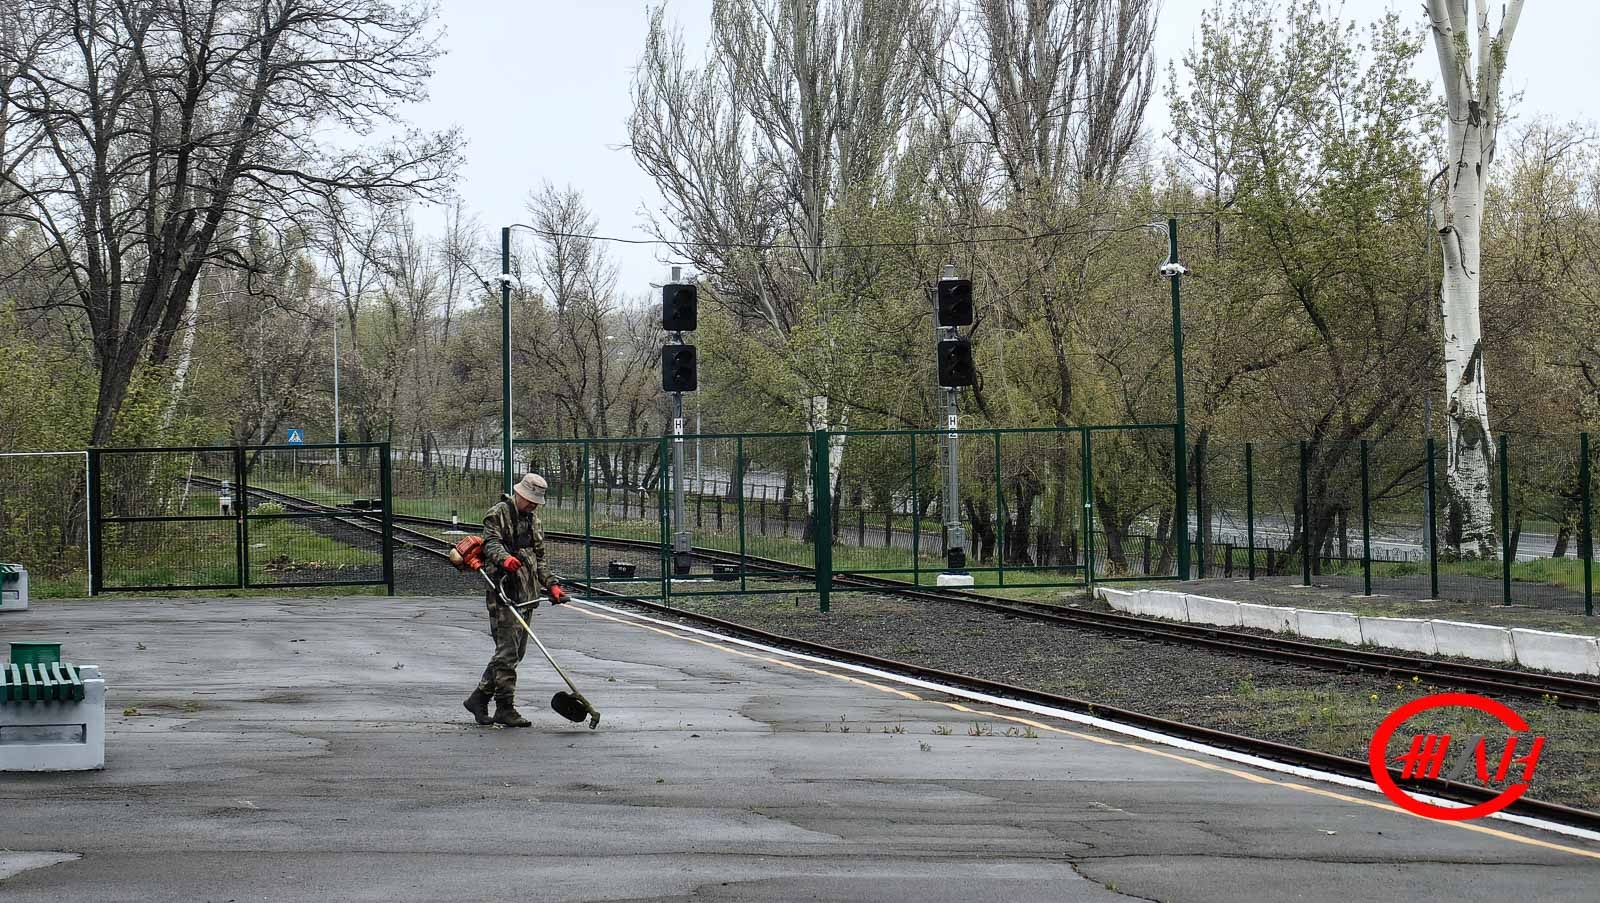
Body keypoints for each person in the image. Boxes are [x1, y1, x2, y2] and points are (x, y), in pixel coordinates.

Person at [463, 473, 568, 727]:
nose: (533, 505)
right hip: (504, 591)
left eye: (536, 502)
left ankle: (479, 697)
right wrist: (505, 559)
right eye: (530, 500)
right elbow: (490, 544)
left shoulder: (534, 521)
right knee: (507, 653)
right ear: (519, 493)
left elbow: (539, 559)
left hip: (526, 594)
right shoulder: (497, 513)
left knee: (514, 653)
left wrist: (552, 585)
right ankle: (505, 707)